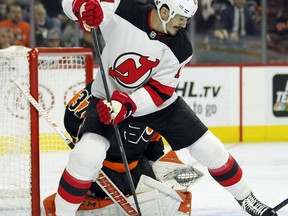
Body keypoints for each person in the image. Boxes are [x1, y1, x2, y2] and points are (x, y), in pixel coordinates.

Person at [57, 0, 277, 215]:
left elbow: (159, 91)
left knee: (211, 148)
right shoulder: (123, 9)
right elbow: (67, 4)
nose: (183, 24)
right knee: (86, 156)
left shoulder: (181, 47)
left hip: (153, 104)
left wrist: (128, 104)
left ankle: (247, 199)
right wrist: (82, 7)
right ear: (163, 11)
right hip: (106, 97)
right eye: (180, 18)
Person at [44, 81, 201, 215]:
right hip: (103, 168)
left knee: (169, 199)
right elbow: (72, 115)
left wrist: (157, 162)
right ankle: (74, 205)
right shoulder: (104, 87)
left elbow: (154, 138)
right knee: (146, 203)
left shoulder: (154, 94)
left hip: (136, 163)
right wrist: (86, 143)